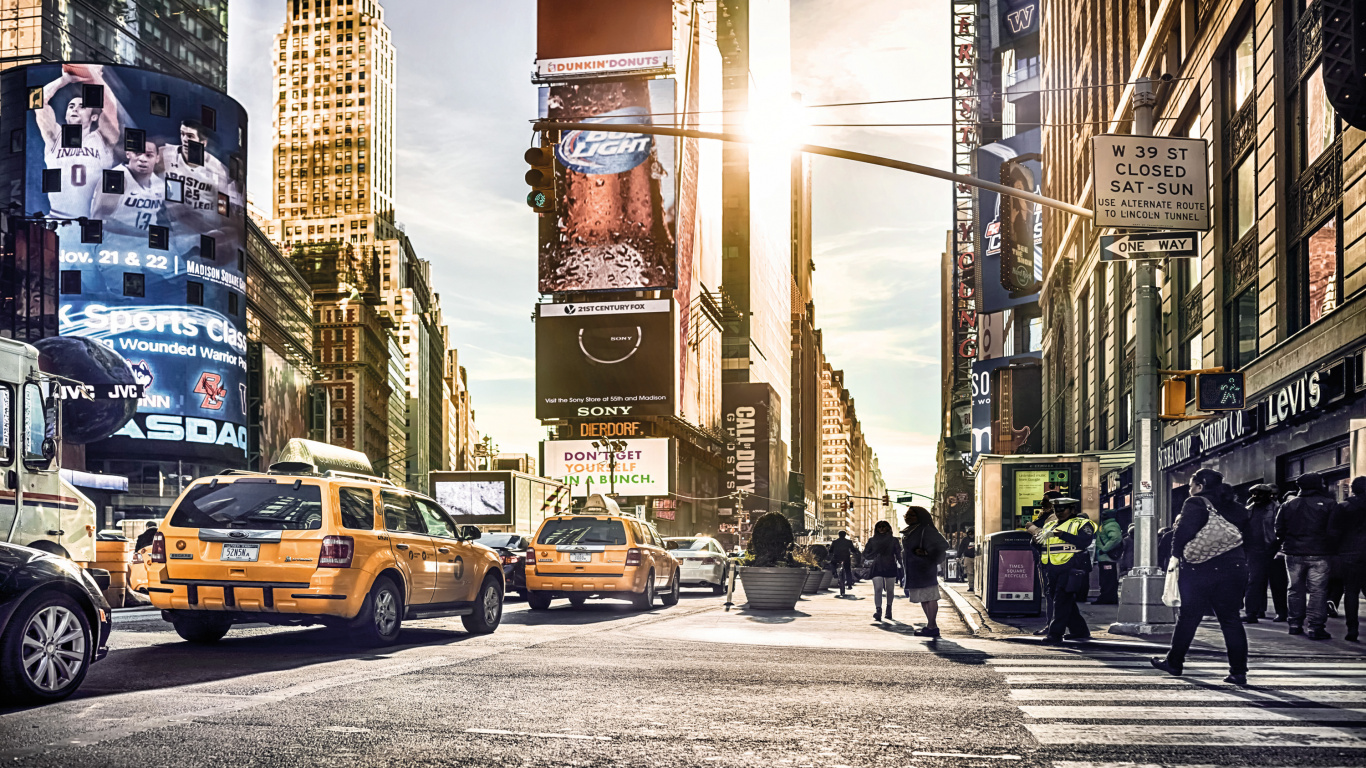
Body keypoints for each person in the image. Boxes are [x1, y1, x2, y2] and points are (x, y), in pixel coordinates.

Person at [1152, 468, 1249, 685]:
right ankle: (1239, 671)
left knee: (1189, 617)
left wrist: (1175, 556)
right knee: (1230, 619)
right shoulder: (1238, 509)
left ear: (1200, 486)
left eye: (1190, 485)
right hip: (1235, 568)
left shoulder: (1196, 503)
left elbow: (1183, 533)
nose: (1189, 489)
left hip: (1200, 569)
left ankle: (1174, 662)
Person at [35, 64, 122, 219]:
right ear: (67, 114)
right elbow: (37, 101)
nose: (74, 109)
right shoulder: (55, 136)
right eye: (71, 106)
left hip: (92, 223)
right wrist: (65, 79)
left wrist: (96, 78)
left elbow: (109, 108)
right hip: (58, 219)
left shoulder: (102, 139)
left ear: (94, 117)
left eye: (82, 106)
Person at [1276, 471, 1336, 639]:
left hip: (1293, 552)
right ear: (1318, 485)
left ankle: (1294, 624)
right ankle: (1316, 627)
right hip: (1320, 552)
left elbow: (1279, 529)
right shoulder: (1329, 504)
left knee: (1295, 589)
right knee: (1318, 591)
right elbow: (1333, 530)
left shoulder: (1288, 505)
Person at [1028, 496, 1095, 643]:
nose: (1059, 512)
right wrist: (1035, 541)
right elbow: (1039, 545)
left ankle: (1055, 634)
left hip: (1071, 567)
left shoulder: (1082, 523)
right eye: (1056, 510)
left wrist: (1063, 535)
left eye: (1062, 509)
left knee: (1061, 600)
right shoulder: (1049, 525)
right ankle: (1080, 631)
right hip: (1052, 568)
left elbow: (1085, 541)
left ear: (1072, 509)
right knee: (1064, 601)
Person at [90, 139, 166, 237]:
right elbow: (100, 219)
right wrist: (146, 235)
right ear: (128, 154)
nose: (143, 159)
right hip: (112, 245)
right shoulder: (115, 177)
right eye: (137, 153)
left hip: (143, 246)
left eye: (149, 155)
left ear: (157, 158)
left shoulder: (159, 183)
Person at [1242, 484, 1287, 623]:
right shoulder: (1248, 510)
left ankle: (1281, 612)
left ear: (1268, 495)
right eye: (1253, 494)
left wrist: (1279, 548)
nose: (1256, 497)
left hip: (1272, 550)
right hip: (1254, 551)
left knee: (1277, 584)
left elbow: (1282, 530)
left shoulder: (1276, 509)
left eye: (1259, 494)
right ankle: (1252, 612)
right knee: (1254, 581)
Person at [902, 506, 948, 636]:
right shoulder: (910, 530)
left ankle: (932, 626)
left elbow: (944, 544)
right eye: (907, 515)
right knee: (923, 597)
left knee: (930, 596)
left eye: (912, 515)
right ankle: (931, 625)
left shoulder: (926, 529)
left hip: (925, 568)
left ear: (920, 516)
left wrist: (927, 552)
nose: (908, 517)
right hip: (914, 569)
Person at [1330, 477, 1366, 642]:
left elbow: (1333, 532)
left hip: (1349, 553)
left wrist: (1335, 551)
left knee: (1350, 591)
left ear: (1352, 489)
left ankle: (1352, 629)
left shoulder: (1343, 508)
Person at [862, 521, 902, 622]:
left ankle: (889, 609)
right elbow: (866, 553)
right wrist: (873, 554)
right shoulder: (872, 540)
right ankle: (878, 610)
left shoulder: (894, 540)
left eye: (884, 526)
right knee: (878, 588)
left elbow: (898, 553)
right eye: (879, 527)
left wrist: (902, 565)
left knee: (890, 589)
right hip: (877, 566)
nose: (881, 528)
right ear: (876, 528)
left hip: (890, 566)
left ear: (888, 528)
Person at [1094, 508, 1123, 604]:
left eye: (1104, 515)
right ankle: (1108, 597)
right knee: (1107, 579)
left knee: (1107, 579)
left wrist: (1104, 549)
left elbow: (1116, 538)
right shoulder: (1107, 525)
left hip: (1107, 558)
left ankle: (1107, 598)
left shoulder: (1110, 525)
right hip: (1106, 558)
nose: (1102, 516)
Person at [827, 531, 857, 597]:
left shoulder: (835, 542)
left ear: (839, 535)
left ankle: (834, 573)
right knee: (848, 570)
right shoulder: (849, 542)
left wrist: (831, 553)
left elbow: (830, 550)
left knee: (832, 564)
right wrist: (855, 552)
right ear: (845, 535)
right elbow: (853, 550)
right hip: (846, 558)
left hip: (836, 557)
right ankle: (849, 584)